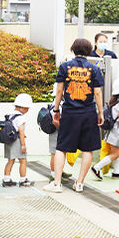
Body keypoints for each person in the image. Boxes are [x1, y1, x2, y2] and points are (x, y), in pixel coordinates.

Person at [44, 38, 105, 193]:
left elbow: (59, 91)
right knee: (87, 149)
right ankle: (79, 183)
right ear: (89, 50)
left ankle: (56, 183)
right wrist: (101, 112)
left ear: (73, 49)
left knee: (61, 148)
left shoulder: (65, 67)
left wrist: (56, 110)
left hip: (70, 112)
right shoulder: (94, 69)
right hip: (89, 112)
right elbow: (97, 92)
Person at [91, 79, 119, 180]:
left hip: (114, 130)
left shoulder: (115, 102)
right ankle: (96, 168)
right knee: (115, 154)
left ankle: (116, 172)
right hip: (118, 131)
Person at [2, 93, 35, 187]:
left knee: (10, 160)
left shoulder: (9, 115)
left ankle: (6, 179)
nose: (28, 110)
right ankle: (23, 179)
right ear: (21, 107)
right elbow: (21, 131)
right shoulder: (20, 117)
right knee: (23, 160)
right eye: (27, 108)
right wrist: (23, 145)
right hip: (17, 141)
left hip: (8, 140)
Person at [47, 84, 71, 182]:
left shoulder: (60, 103)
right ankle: (53, 175)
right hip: (56, 132)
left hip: (59, 132)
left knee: (61, 152)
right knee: (55, 153)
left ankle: (59, 171)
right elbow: (55, 121)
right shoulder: (57, 105)